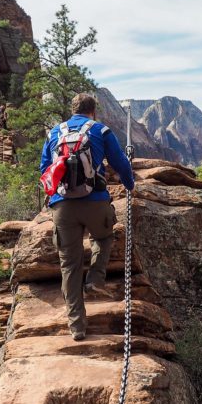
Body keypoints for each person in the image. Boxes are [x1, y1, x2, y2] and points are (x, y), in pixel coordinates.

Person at [40, 93, 135, 341]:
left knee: (69, 265)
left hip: (63, 207)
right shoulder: (100, 130)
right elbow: (120, 163)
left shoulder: (53, 133)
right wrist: (130, 185)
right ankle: (95, 277)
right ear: (93, 111)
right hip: (95, 203)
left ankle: (77, 327)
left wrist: (54, 198)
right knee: (103, 237)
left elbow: (43, 170)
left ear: (72, 110)